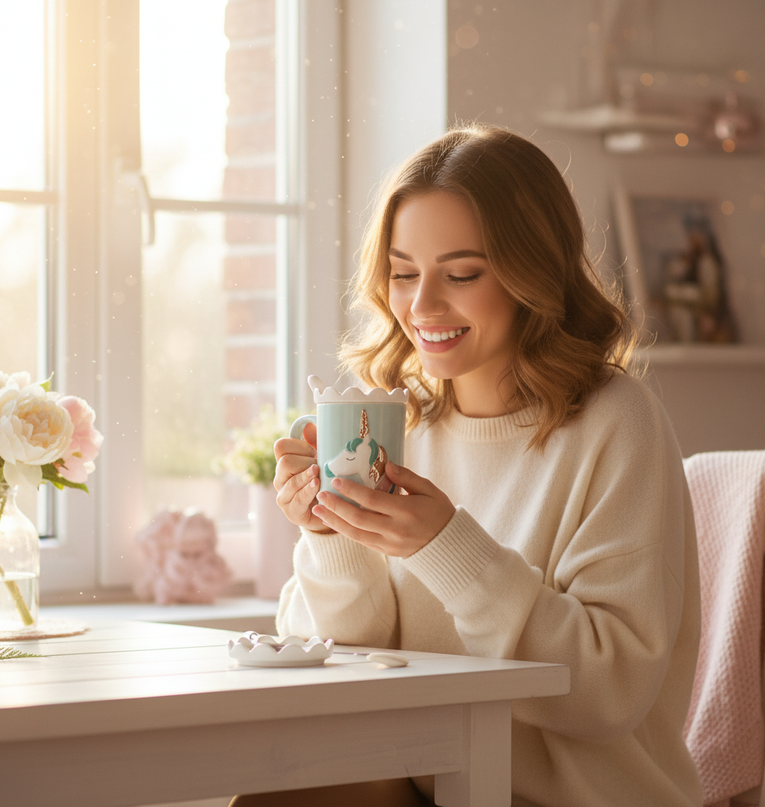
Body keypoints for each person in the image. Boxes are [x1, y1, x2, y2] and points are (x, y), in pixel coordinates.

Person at [234, 124, 702, 807]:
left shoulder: (611, 420)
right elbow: (336, 662)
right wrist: (332, 535)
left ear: (532, 274)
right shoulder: (396, 425)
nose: (421, 307)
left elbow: (608, 693)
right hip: (439, 783)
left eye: (460, 273)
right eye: (402, 274)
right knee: (275, 794)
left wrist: (442, 544)